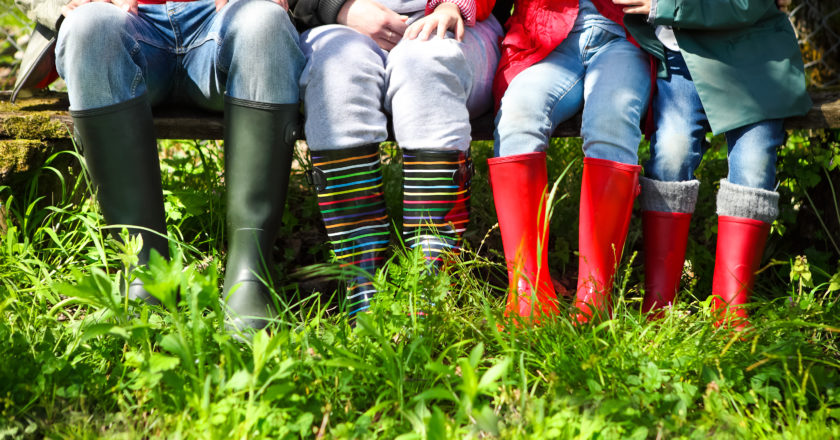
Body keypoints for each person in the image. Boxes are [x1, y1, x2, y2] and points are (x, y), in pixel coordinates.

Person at [13, 0, 305, 332]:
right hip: (122, 23)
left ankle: (250, 277)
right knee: (88, 27)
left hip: (223, 21)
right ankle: (144, 274)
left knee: (265, 21)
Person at [289, 0, 503, 318]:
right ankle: (361, 288)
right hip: (339, 25)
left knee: (430, 61)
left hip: (457, 27)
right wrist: (338, 8)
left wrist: (455, 5)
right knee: (336, 71)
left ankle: (431, 287)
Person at [617, 0, 811, 328]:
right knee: (671, 150)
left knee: (753, 160)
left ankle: (732, 310)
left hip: (752, 56)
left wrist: (667, 5)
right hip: (680, 60)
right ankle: (658, 303)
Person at [484, 0, 652, 323]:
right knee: (518, 114)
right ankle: (528, 294)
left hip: (627, 36)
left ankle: (595, 295)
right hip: (549, 36)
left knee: (611, 120)